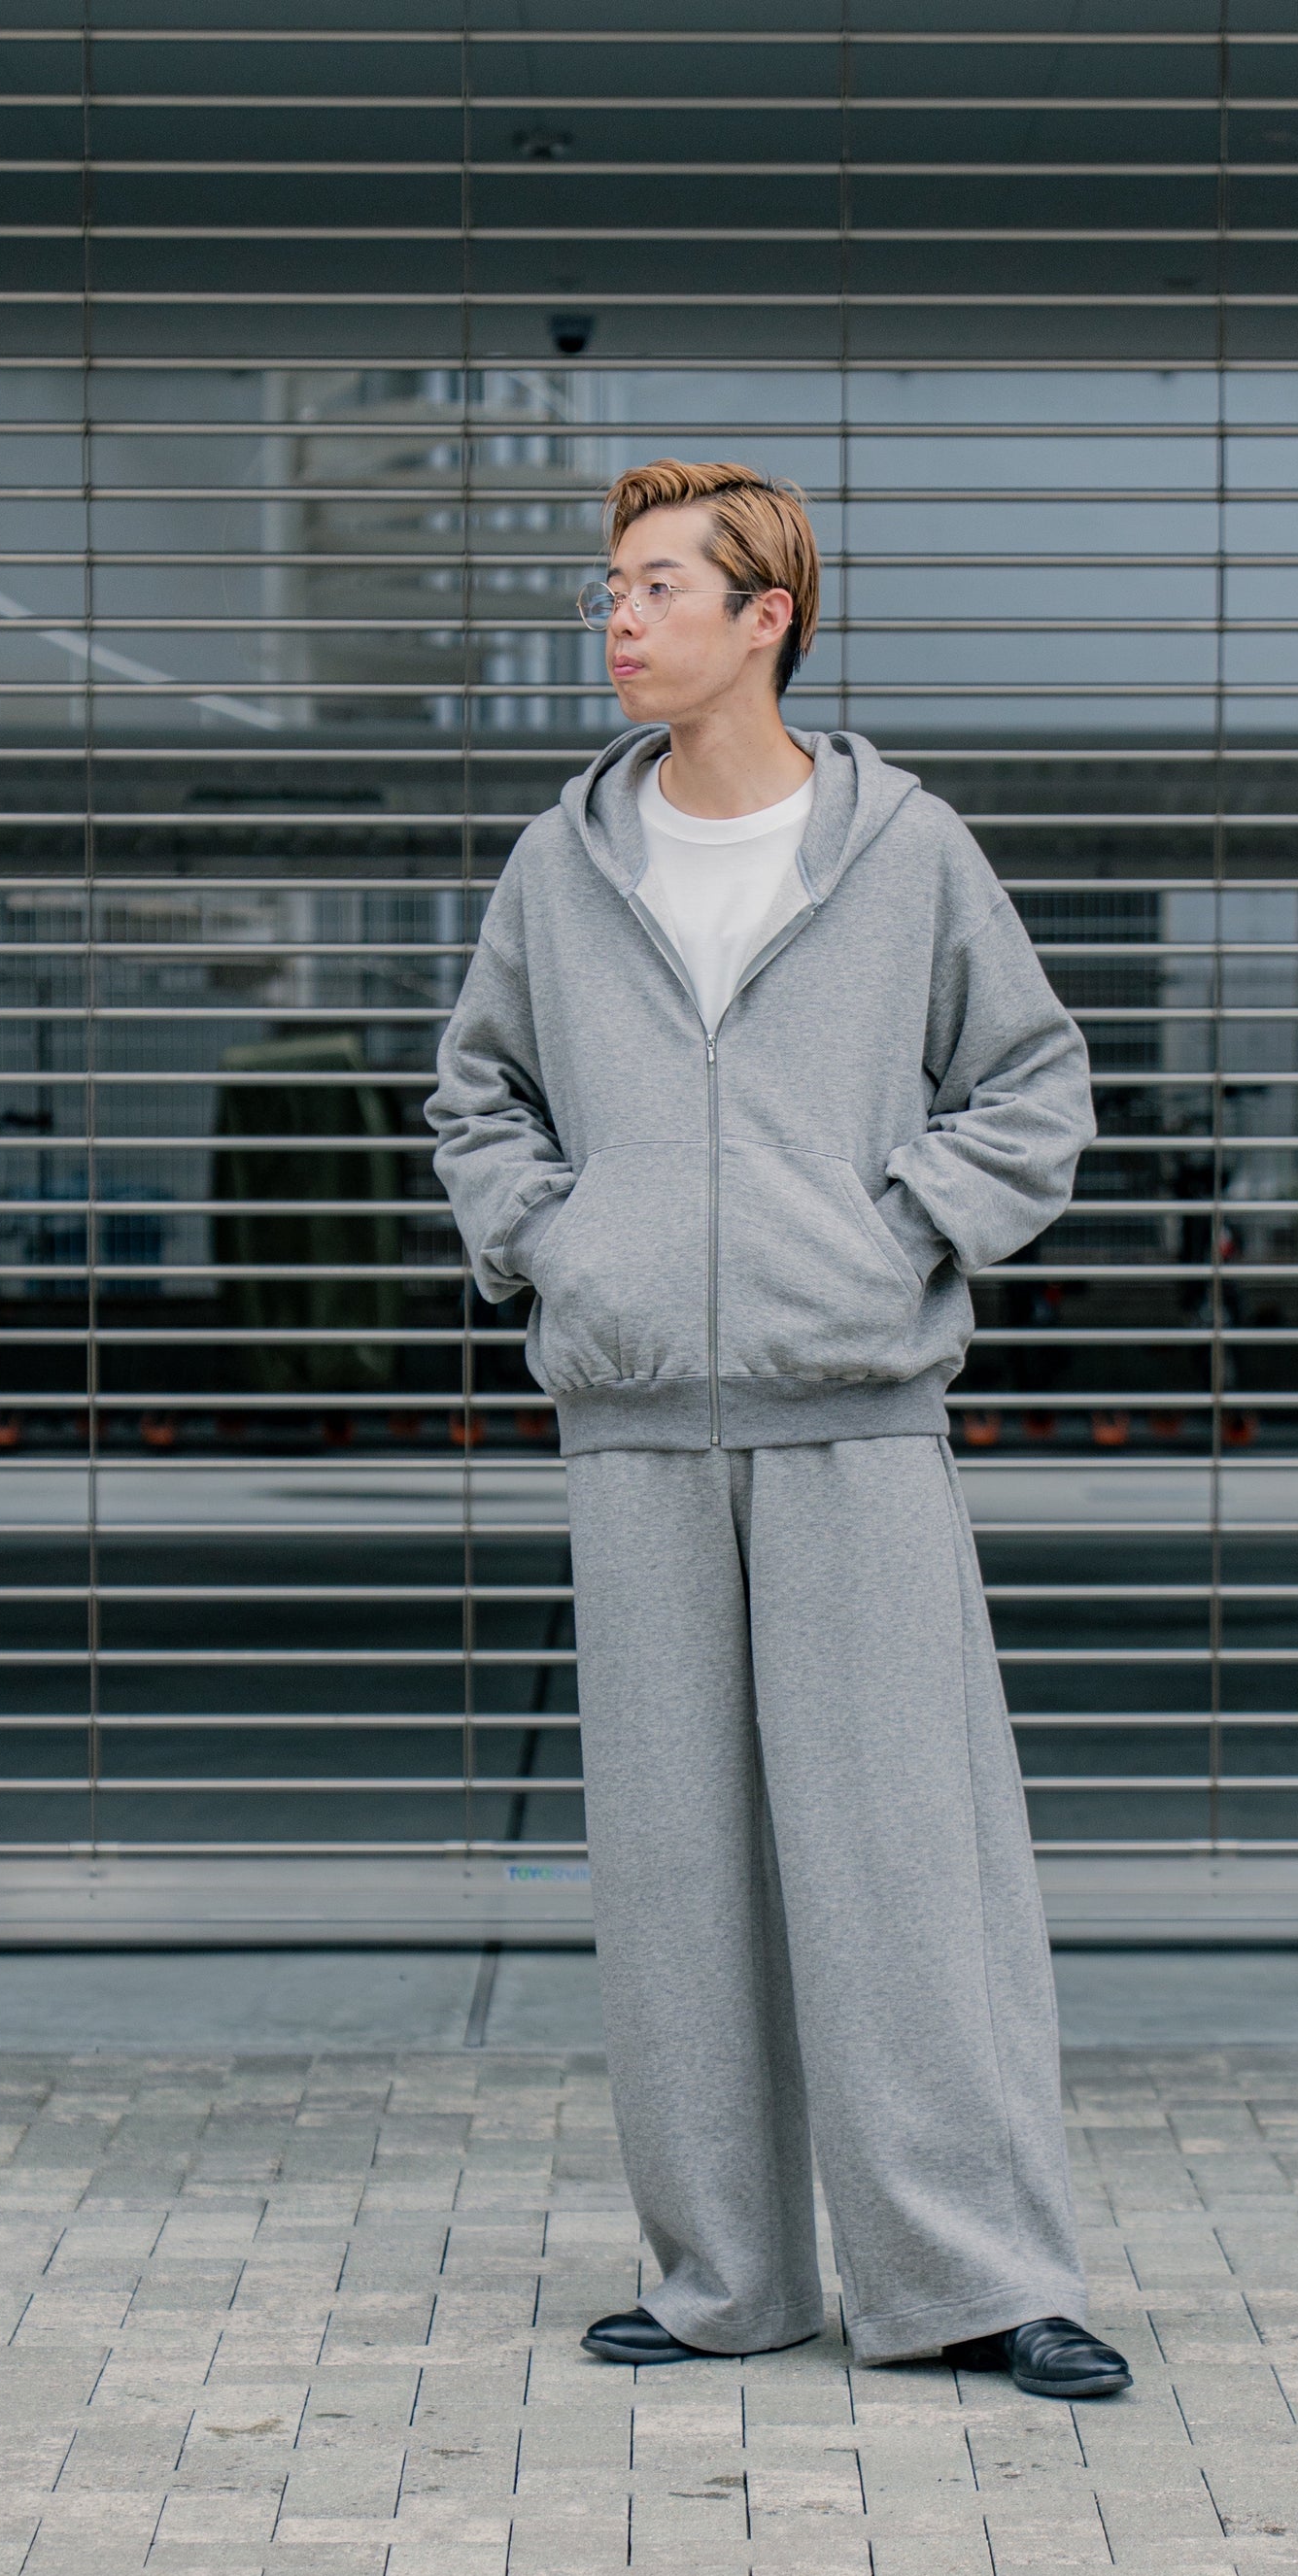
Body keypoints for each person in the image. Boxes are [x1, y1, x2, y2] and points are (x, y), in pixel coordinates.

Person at [427, 459, 1129, 2402]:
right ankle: (724, 2277)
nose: (618, 617)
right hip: (640, 1424)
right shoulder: (561, 864)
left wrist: (888, 1238)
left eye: (659, 585)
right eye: (608, 587)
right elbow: (478, 1099)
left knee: (905, 1866)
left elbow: (1032, 1086)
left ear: (767, 618)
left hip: (853, 1417)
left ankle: (968, 2279)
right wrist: (565, 1247)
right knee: (678, 1876)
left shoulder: (903, 849)